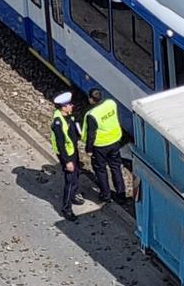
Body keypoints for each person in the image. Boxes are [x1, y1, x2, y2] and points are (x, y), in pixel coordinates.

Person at [84, 89, 127, 203]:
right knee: (116, 167)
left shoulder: (92, 115)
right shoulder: (111, 103)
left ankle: (106, 195)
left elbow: (91, 134)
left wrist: (89, 149)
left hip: (101, 146)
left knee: (101, 170)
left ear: (91, 99)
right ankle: (121, 194)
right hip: (114, 141)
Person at [49, 92, 83, 222]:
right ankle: (66, 208)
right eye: (69, 104)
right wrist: (67, 161)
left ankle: (73, 195)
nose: (71, 106)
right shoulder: (58, 123)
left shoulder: (68, 117)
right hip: (67, 155)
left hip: (72, 151)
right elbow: (61, 144)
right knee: (70, 179)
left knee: (76, 174)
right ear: (63, 107)